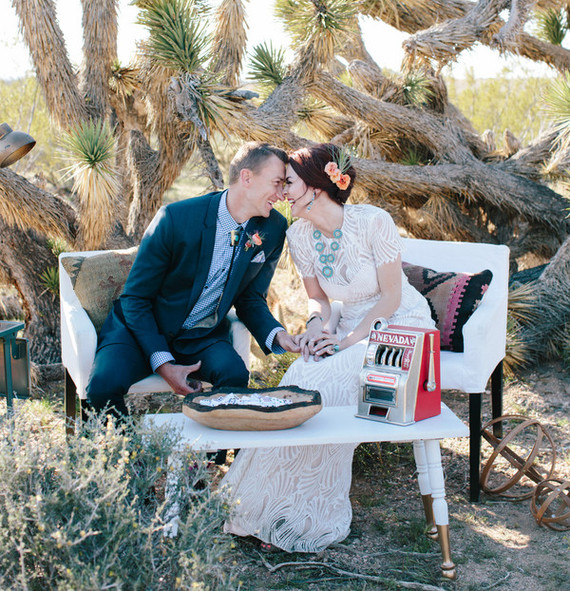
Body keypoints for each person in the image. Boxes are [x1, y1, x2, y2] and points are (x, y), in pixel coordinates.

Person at [222, 143, 436, 552]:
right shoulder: (299, 235)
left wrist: (346, 341)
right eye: (281, 183)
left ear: (319, 186)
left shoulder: (374, 222)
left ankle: (304, 517)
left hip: (400, 331)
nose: (283, 191)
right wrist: (318, 329)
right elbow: (320, 301)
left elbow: (390, 297)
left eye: (290, 183)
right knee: (301, 371)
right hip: (349, 331)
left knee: (329, 382)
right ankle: (261, 507)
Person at [86, 142, 299, 416]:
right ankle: (125, 456)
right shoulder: (175, 218)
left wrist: (279, 336)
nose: (282, 194)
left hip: (200, 336)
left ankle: (213, 458)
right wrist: (164, 363)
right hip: (140, 331)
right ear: (246, 177)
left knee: (234, 374)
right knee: (103, 387)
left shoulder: (273, 227)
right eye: (277, 183)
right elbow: (136, 298)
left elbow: (250, 298)